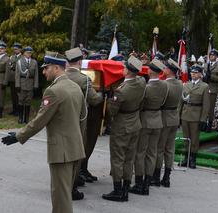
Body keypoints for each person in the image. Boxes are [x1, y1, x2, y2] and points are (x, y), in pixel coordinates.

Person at [1, 54, 86, 213]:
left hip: (61, 151)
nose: (44, 72)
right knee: (65, 193)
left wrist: (19, 136)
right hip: (75, 148)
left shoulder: (53, 91)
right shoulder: (76, 87)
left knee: (60, 197)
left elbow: (40, 120)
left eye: (46, 68)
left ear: (56, 68)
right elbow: (83, 118)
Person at [102, 56, 146, 202]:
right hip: (135, 123)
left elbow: (112, 112)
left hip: (122, 126)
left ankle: (117, 190)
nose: (123, 69)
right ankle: (126, 189)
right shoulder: (141, 82)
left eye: (124, 67)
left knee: (117, 158)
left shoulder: (121, 91)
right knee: (129, 158)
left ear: (127, 71)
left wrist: (110, 98)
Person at [65, 47, 103, 199]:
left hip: (64, 118)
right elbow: (94, 100)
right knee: (77, 152)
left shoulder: (62, 76)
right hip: (80, 119)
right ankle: (72, 186)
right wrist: (102, 93)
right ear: (80, 62)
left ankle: (65, 181)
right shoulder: (83, 79)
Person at [130, 58, 168, 196]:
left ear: (150, 70)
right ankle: (147, 183)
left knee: (140, 153)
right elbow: (163, 101)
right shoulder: (164, 85)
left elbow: (141, 104)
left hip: (145, 120)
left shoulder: (146, 87)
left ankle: (139, 183)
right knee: (152, 153)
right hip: (157, 120)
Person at [155, 58, 183, 187]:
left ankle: (156, 176)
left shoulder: (165, 84)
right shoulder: (180, 84)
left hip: (165, 117)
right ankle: (166, 177)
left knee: (160, 148)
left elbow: (161, 102)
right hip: (174, 118)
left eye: (165, 68)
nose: (164, 70)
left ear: (169, 71)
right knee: (170, 149)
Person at [179, 65, 210, 169]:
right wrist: (179, 115)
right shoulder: (186, 85)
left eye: (196, 72)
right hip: (185, 114)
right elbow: (181, 102)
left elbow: (206, 105)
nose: (193, 74)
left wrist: (203, 119)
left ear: (201, 74)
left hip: (196, 115)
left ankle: (192, 159)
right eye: (192, 72)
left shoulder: (204, 86)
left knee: (194, 139)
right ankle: (185, 158)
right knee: (186, 138)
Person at [15, 46, 39, 124]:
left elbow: (36, 75)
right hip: (22, 83)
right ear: (24, 53)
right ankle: (20, 118)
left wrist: (35, 85)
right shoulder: (19, 61)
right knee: (21, 101)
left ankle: (26, 118)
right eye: (28, 52)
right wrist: (17, 85)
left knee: (28, 101)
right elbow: (17, 74)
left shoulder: (34, 62)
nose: (29, 54)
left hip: (30, 84)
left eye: (30, 53)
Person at [205, 49, 218, 132]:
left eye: (213, 55)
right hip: (205, 88)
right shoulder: (206, 65)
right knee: (204, 107)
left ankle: (209, 124)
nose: (211, 56)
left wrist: (211, 77)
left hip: (213, 89)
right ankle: (203, 124)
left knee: (210, 108)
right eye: (210, 55)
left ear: (216, 57)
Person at [7, 42, 22, 116]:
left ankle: (19, 110)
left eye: (16, 49)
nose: (15, 50)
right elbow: (9, 65)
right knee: (13, 95)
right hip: (12, 78)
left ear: (20, 49)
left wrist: (13, 66)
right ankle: (14, 109)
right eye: (14, 49)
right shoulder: (11, 57)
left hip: (18, 79)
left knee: (18, 95)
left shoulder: (22, 57)